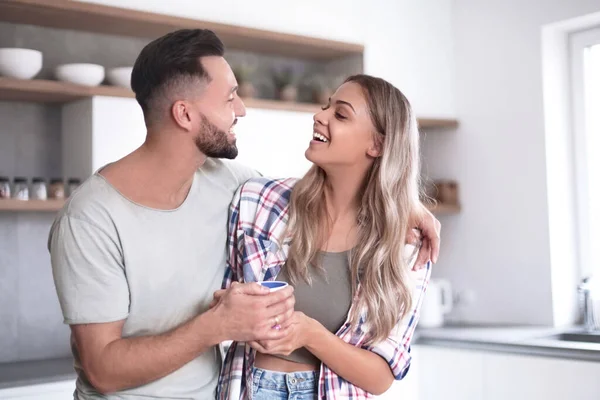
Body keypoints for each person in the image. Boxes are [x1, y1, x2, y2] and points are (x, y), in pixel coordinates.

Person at [48, 29, 440, 399]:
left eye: (340, 113)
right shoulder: (92, 218)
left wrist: (405, 206)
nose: (242, 109)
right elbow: (101, 368)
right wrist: (218, 325)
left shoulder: (232, 186)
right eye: (229, 98)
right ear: (184, 115)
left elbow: (384, 369)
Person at [217, 74, 432, 399]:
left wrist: (310, 334)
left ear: (377, 144)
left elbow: (381, 376)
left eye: (340, 114)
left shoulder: (407, 246)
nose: (320, 116)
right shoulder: (258, 201)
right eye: (326, 107)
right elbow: (216, 300)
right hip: (250, 387)